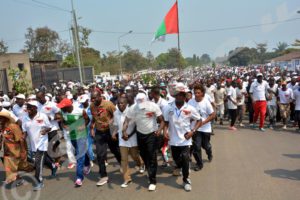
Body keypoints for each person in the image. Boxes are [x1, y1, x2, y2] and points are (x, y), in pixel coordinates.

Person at [163, 84, 202, 192]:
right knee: (177, 160)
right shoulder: (168, 107)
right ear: (174, 95)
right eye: (177, 95)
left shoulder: (190, 108)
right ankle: (181, 167)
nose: (180, 97)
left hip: (186, 139)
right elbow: (165, 121)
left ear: (185, 96)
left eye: (182, 95)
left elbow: (199, 120)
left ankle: (186, 180)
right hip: (173, 140)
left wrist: (192, 131)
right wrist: (165, 131)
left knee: (185, 158)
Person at [123, 93, 164, 191]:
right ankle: (149, 170)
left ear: (146, 100)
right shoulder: (133, 108)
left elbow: (162, 120)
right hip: (140, 134)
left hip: (151, 134)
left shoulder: (153, 106)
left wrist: (159, 130)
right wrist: (124, 130)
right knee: (144, 156)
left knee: (152, 156)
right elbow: (127, 120)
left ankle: (152, 180)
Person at [22, 101, 58, 191]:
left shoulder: (42, 116)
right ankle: (53, 166)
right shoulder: (25, 118)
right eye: (27, 107)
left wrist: (45, 131)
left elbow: (49, 127)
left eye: (30, 107)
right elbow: (24, 132)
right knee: (43, 159)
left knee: (38, 162)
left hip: (42, 143)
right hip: (33, 144)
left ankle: (39, 181)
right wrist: (22, 141)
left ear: (35, 108)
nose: (28, 109)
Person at [57, 98, 91, 187]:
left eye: (63, 107)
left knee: (79, 156)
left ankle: (79, 178)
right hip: (71, 136)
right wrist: (64, 126)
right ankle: (87, 163)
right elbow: (62, 122)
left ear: (68, 106)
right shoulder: (63, 112)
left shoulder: (80, 111)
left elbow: (87, 119)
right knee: (80, 152)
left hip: (81, 135)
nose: (62, 109)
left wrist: (83, 126)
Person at [90, 91, 120, 186]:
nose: (93, 100)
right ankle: (103, 176)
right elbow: (94, 117)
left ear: (100, 96)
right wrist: (92, 127)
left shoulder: (108, 104)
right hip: (99, 133)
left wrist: (110, 122)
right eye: (92, 98)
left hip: (110, 131)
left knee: (115, 150)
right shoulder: (92, 106)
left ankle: (122, 163)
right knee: (100, 154)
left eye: (95, 98)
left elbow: (117, 115)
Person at [112, 97, 144, 188]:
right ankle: (127, 179)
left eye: (122, 103)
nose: (120, 105)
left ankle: (140, 163)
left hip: (132, 138)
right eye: (118, 103)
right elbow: (116, 126)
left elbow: (135, 126)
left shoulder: (132, 112)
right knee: (124, 159)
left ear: (126, 103)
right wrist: (114, 133)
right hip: (122, 140)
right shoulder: (116, 113)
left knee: (135, 155)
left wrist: (129, 135)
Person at [0, 111, 33, 185]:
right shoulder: (2, 128)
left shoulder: (13, 126)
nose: (0, 120)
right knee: (10, 167)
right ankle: (17, 178)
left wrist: (23, 151)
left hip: (16, 150)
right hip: (7, 151)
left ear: (6, 119)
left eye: (1, 118)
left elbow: (21, 139)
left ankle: (28, 170)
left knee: (20, 166)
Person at [188, 84, 215, 171]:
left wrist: (203, 122)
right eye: (195, 93)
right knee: (197, 147)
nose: (196, 94)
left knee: (206, 145)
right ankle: (199, 164)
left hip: (205, 128)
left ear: (202, 93)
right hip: (195, 128)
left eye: (198, 93)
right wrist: (190, 119)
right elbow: (187, 114)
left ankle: (209, 152)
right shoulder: (190, 102)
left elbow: (212, 115)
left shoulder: (206, 102)